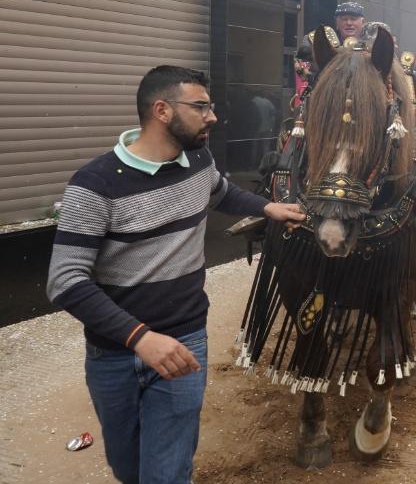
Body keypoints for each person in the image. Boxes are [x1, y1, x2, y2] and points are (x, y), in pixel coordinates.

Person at [46, 66, 306, 484]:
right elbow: (65, 280)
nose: (213, 116)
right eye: (201, 106)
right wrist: (140, 339)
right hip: (113, 355)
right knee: (128, 467)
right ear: (162, 110)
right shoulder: (94, 185)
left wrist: (267, 208)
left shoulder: (199, 161)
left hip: (185, 342)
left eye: (211, 106)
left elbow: (220, 191)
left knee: (166, 472)